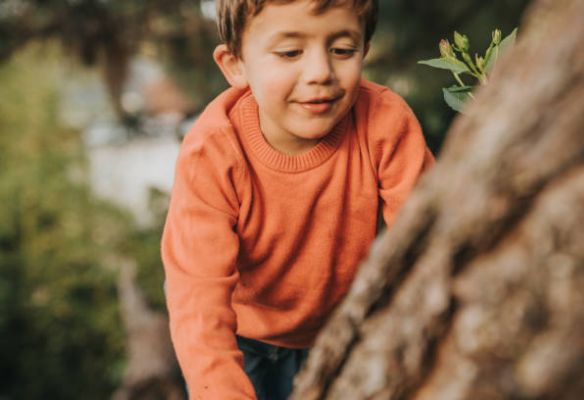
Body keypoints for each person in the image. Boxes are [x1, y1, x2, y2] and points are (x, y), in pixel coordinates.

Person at [161, 0, 435, 398]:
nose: (321, 73)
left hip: (342, 332)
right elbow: (197, 301)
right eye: (290, 52)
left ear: (365, 50)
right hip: (241, 342)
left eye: (342, 50)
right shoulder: (213, 153)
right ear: (235, 64)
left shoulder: (385, 122)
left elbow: (429, 236)